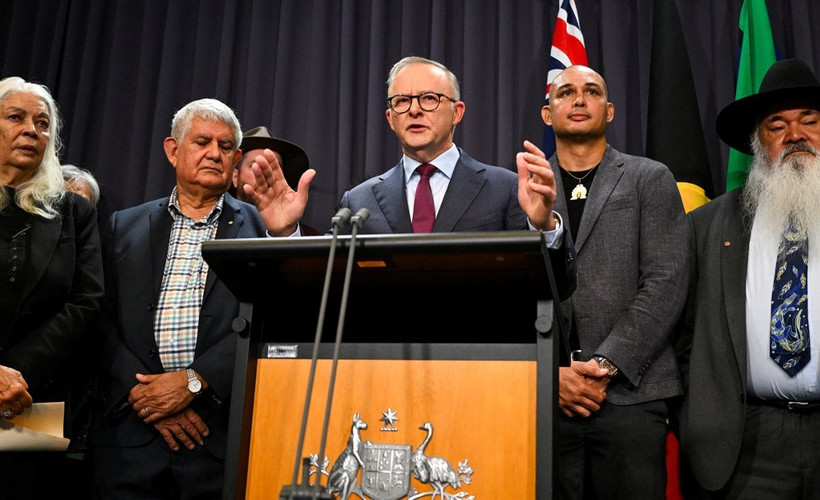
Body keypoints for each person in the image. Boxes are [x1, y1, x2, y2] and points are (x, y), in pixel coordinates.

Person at [90, 98, 313, 498]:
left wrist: (195, 381)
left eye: (226, 147)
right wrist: (146, 397)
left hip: (218, 436)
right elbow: (97, 318)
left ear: (236, 158)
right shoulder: (124, 225)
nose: (214, 153)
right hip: (129, 436)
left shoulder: (261, 228)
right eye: (202, 142)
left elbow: (278, 314)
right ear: (173, 150)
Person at [243, 56, 575, 296]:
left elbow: (557, 289)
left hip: (482, 370)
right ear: (390, 118)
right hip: (384, 371)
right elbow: (324, 291)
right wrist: (286, 235)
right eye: (402, 101)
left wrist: (544, 228)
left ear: (457, 112)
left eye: (429, 99)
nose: (414, 110)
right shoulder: (358, 201)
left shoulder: (505, 189)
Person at [516, 65, 688, 498]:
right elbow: (514, 291)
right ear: (546, 112)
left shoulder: (650, 177)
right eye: (566, 92)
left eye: (591, 92)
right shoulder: (521, 189)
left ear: (609, 111)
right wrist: (553, 375)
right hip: (546, 398)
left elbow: (666, 281)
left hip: (631, 393)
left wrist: (604, 365)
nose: (578, 100)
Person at [676, 58, 820, 498]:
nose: (795, 135)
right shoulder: (707, 226)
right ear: (758, 142)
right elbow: (681, 335)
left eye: (810, 121)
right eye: (776, 126)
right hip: (744, 443)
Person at [0, 76, 103, 497]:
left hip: (33, 400)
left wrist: (15, 374)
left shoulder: (72, 212)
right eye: (16, 117)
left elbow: (87, 301)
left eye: (43, 124)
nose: (31, 130)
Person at [234, 125, 319, 234]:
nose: (265, 173)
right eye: (256, 166)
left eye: (274, 167)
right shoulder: (216, 227)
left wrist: (286, 232)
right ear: (235, 177)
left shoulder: (310, 237)